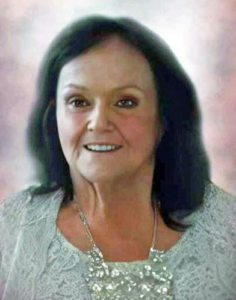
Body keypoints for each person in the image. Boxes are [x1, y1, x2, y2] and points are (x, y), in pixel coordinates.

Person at [0, 15, 236, 300]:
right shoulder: (11, 231)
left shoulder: (228, 228)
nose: (98, 123)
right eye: (79, 102)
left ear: (164, 117)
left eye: (125, 101)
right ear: (54, 117)